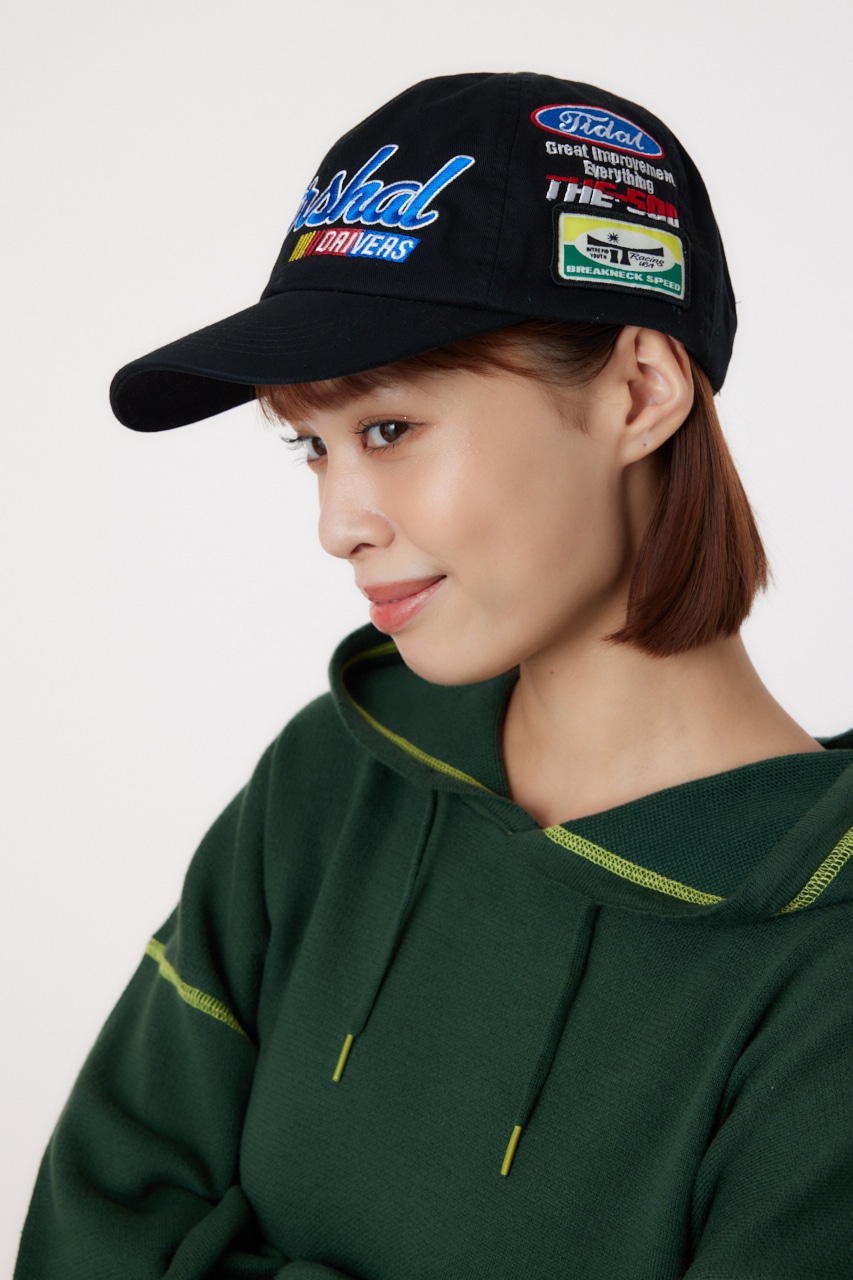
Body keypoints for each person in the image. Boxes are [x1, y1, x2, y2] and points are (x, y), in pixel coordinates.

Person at [15, 72, 853, 1280]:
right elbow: (89, 1229)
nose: (336, 524)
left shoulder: (824, 958)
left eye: (389, 429)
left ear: (639, 391)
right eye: (311, 447)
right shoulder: (330, 783)